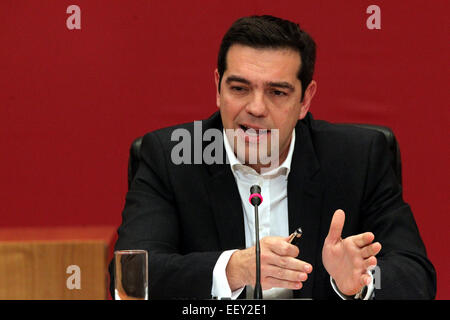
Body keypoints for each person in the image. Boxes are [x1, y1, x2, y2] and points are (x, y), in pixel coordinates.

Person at [109, 15, 436, 299]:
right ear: (217, 87)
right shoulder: (173, 157)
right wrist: (233, 269)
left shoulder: (357, 158)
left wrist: (357, 284)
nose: (256, 108)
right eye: (239, 88)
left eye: (277, 93)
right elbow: (131, 279)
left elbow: (415, 278)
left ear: (305, 100)